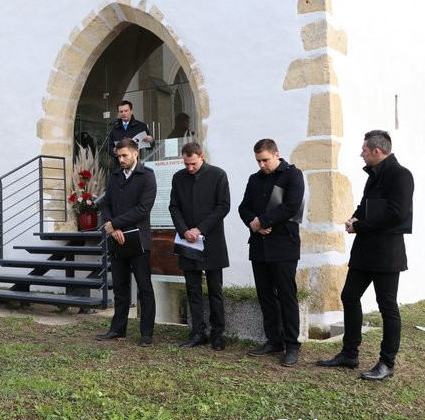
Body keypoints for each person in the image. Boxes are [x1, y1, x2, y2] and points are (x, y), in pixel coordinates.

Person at [317, 130, 414, 381]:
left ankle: (386, 363)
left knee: (387, 307)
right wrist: (354, 218)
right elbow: (365, 205)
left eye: (364, 150)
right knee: (349, 296)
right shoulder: (373, 176)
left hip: (387, 254)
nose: (361, 153)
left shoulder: (401, 175)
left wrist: (360, 225)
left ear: (377, 151)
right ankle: (349, 354)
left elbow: (396, 213)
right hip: (365, 251)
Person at [238, 139, 304, 367]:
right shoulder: (254, 179)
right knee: (265, 295)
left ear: (277, 154)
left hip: (284, 244)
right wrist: (253, 223)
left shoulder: (292, 175)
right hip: (259, 245)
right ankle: (273, 340)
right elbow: (243, 207)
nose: (262, 165)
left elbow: (291, 206)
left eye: (265, 160)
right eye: (258, 161)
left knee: (287, 295)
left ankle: (292, 344)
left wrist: (262, 220)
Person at [96, 138, 158, 346]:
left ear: (135, 153)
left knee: (144, 287)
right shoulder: (114, 177)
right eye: (118, 156)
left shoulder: (147, 176)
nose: (121, 159)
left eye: (125, 155)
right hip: (117, 239)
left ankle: (147, 333)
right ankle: (117, 329)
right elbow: (105, 204)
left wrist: (114, 223)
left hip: (138, 240)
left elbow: (143, 208)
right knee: (120, 288)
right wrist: (112, 227)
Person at [169, 142, 230, 350]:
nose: (189, 168)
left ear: (201, 156)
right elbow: (174, 207)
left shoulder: (218, 175)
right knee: (192, 289)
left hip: (212, 241)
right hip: (187, 240)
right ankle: (197, 332)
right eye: (186, 164)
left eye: (193, 163)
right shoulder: (178, 178)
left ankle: (217, 334)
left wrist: (200, 229)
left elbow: (223, 206)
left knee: (215, 290)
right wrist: (184, 229)